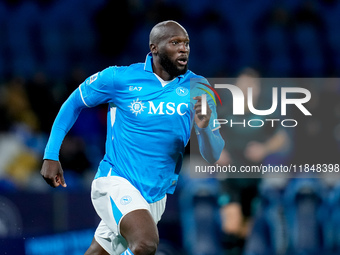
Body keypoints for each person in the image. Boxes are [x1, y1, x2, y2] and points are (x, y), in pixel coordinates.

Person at [40, 20, 225, 255]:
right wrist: (50, 154)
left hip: (155, 195)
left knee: (100, 252)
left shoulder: (199, 87)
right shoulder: (120, 78)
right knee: (146, 243)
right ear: (154, 48)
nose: (183, 48)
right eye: (175, 42)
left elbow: (213, 154)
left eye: (186, 43)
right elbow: (73, 103)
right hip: (116, 180)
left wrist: (206, 128)